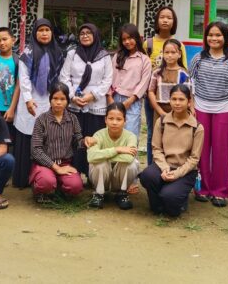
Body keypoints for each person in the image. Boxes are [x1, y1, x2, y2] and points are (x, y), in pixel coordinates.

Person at [189, 21, 228, 207]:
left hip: (225, 108)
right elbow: (191, 84)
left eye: (218, 35)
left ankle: (220, 192)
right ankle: (201, 188)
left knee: (222, 151)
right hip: (201, 107)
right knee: (201, 149)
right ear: (206, 37)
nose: (214, 38)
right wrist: (191, 105)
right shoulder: (198, 58)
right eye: (210, 35)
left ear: (225, 38)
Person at [13, 18, 63, 188]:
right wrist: (28, 99)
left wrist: (58, 98)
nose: (44, 33)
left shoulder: (58, 52)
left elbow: (60, 77)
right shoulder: (27, 53)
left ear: (51, 33)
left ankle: (43, 179)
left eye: (47, 30)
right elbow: (24, 78)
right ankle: (23, 178)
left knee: (45, 138)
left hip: (49, 100)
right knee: (27, 137)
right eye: (40, 30)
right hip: (30, 100)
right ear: (35, 33)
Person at [139, 84, 204, 217]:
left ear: (189, 102)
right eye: (174, 99)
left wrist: (177, 174)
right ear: (169, 100)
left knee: (169, 198)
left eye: (181, 99)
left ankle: (176, 198)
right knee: (147, 176)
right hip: (164, 167)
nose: (177, 103)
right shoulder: (162, 122)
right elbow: (156, 149)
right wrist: (164, 168)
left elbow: (194, 158)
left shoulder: (197, 128)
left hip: (185, 171)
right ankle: (158, 205)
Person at [59, 23, 113, 175]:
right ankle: (74, 174)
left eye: (89, 33)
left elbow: (108, 79)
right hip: (75, 105)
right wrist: (72, 97)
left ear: (95, 35)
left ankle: (92, 175)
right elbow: (64, 77)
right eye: (82, 33)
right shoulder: (72, 54)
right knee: (75, 139)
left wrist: (92, 95)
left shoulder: (104, 56)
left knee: (94, 139)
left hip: (96, 105)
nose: (85, 36)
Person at [30, 83, 95, 203]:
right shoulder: (41, 120)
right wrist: (56, 168)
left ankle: (59, 188)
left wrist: (85, 141)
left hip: (65, 164)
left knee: (76, 186)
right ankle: (41, 190)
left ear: (67, 101)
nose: (58, 102)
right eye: (55, 98)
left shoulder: (72, 119)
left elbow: (77, 141)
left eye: (62, 99)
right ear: (50, 100)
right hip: (45, 164)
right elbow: (36, 150)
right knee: (46, 182)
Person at [143, 6, 187, 165]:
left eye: (169, 17)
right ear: (156, 20)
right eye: (162, 17)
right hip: (153, 97)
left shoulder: (179, 45)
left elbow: (184, 71)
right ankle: (151, 167)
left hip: (176, 100)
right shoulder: (148, 43)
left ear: (174, 21)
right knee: (152, 132)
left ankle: (171, 166)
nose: (165, 20)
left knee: (174, 132)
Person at [87, 102, 139, 210]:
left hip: (119, 178)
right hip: (102, 177)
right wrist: (117, 149)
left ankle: (122, 193)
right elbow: (91, 157)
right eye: (111, 118)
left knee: (131, 164)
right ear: (105, 120)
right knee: (99, 163)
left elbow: (129, 157)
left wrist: (103, 154)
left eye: (119, 119)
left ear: (125, 120)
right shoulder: (98, 135)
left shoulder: (131, 137)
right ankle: (98, 194)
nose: (114, 122)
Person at [107, 23, 151, 140]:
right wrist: (109, 97)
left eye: (130, 38)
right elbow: (109, 77)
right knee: (113, 133)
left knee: (130, 135)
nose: (127, 42)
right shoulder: (117, 56)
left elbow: (144, 83)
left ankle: (130, 153)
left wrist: (130, 100)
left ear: (136, 38)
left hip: (132, 102)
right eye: (124, 39)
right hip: (114, 99)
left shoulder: (144, 60)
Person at [147, 38, 191, 139]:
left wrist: (190, 108)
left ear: (179, 54)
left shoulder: (183, 74)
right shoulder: (157, 72)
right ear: (163, 54)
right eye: (166, 52)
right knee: (159, 138)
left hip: (179, 111)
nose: (169, 55)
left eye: (173, 52)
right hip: (159, 110)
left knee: (176, 138)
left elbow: (188, 95)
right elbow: (151, 91)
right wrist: (160, 111)